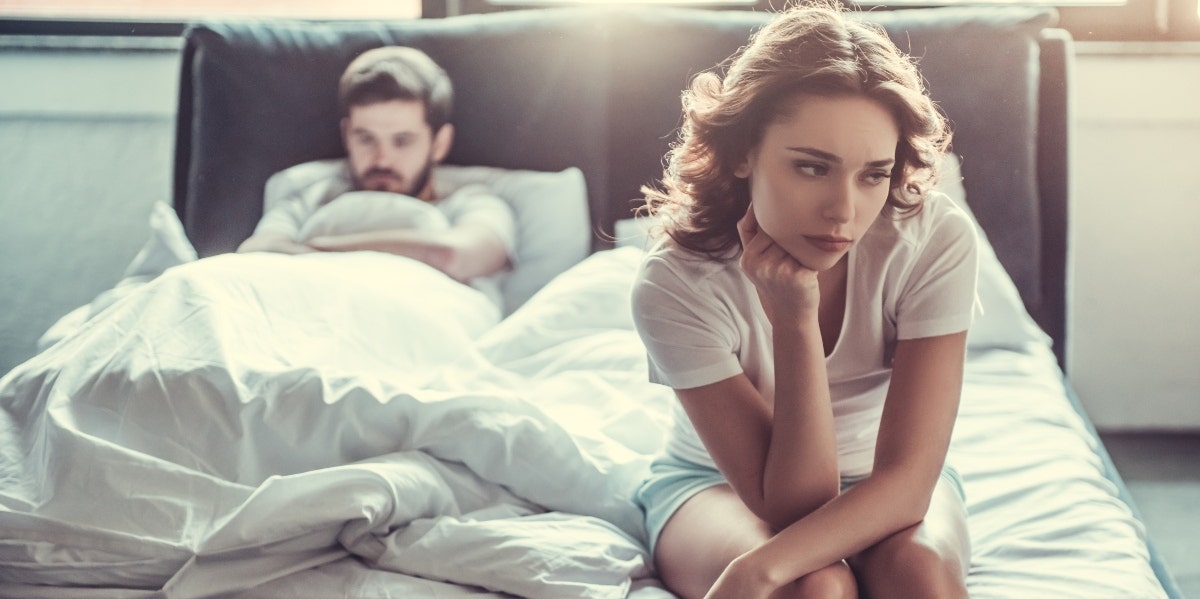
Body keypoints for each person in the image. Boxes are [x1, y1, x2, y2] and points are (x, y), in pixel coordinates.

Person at [630, 3, 978, 598]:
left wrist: (755, 570)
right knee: (812, 589)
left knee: (918, 576)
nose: (844, 211)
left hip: (886, 480)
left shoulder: (931, 240)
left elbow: (909, 480)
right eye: (813, 168)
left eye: (873, 174)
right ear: (742, 153)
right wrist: (794, 323)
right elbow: (793, 503)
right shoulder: (676, 283)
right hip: (713, 486)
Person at [236, 46, 515, 295]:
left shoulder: (474, 202)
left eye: (402, 141)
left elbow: (450, 256)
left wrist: (311, 248)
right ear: (346, 135)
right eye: (366, 138)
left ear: (440, 144)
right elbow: (253, 254)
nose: (382, 159)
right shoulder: (310, 199)